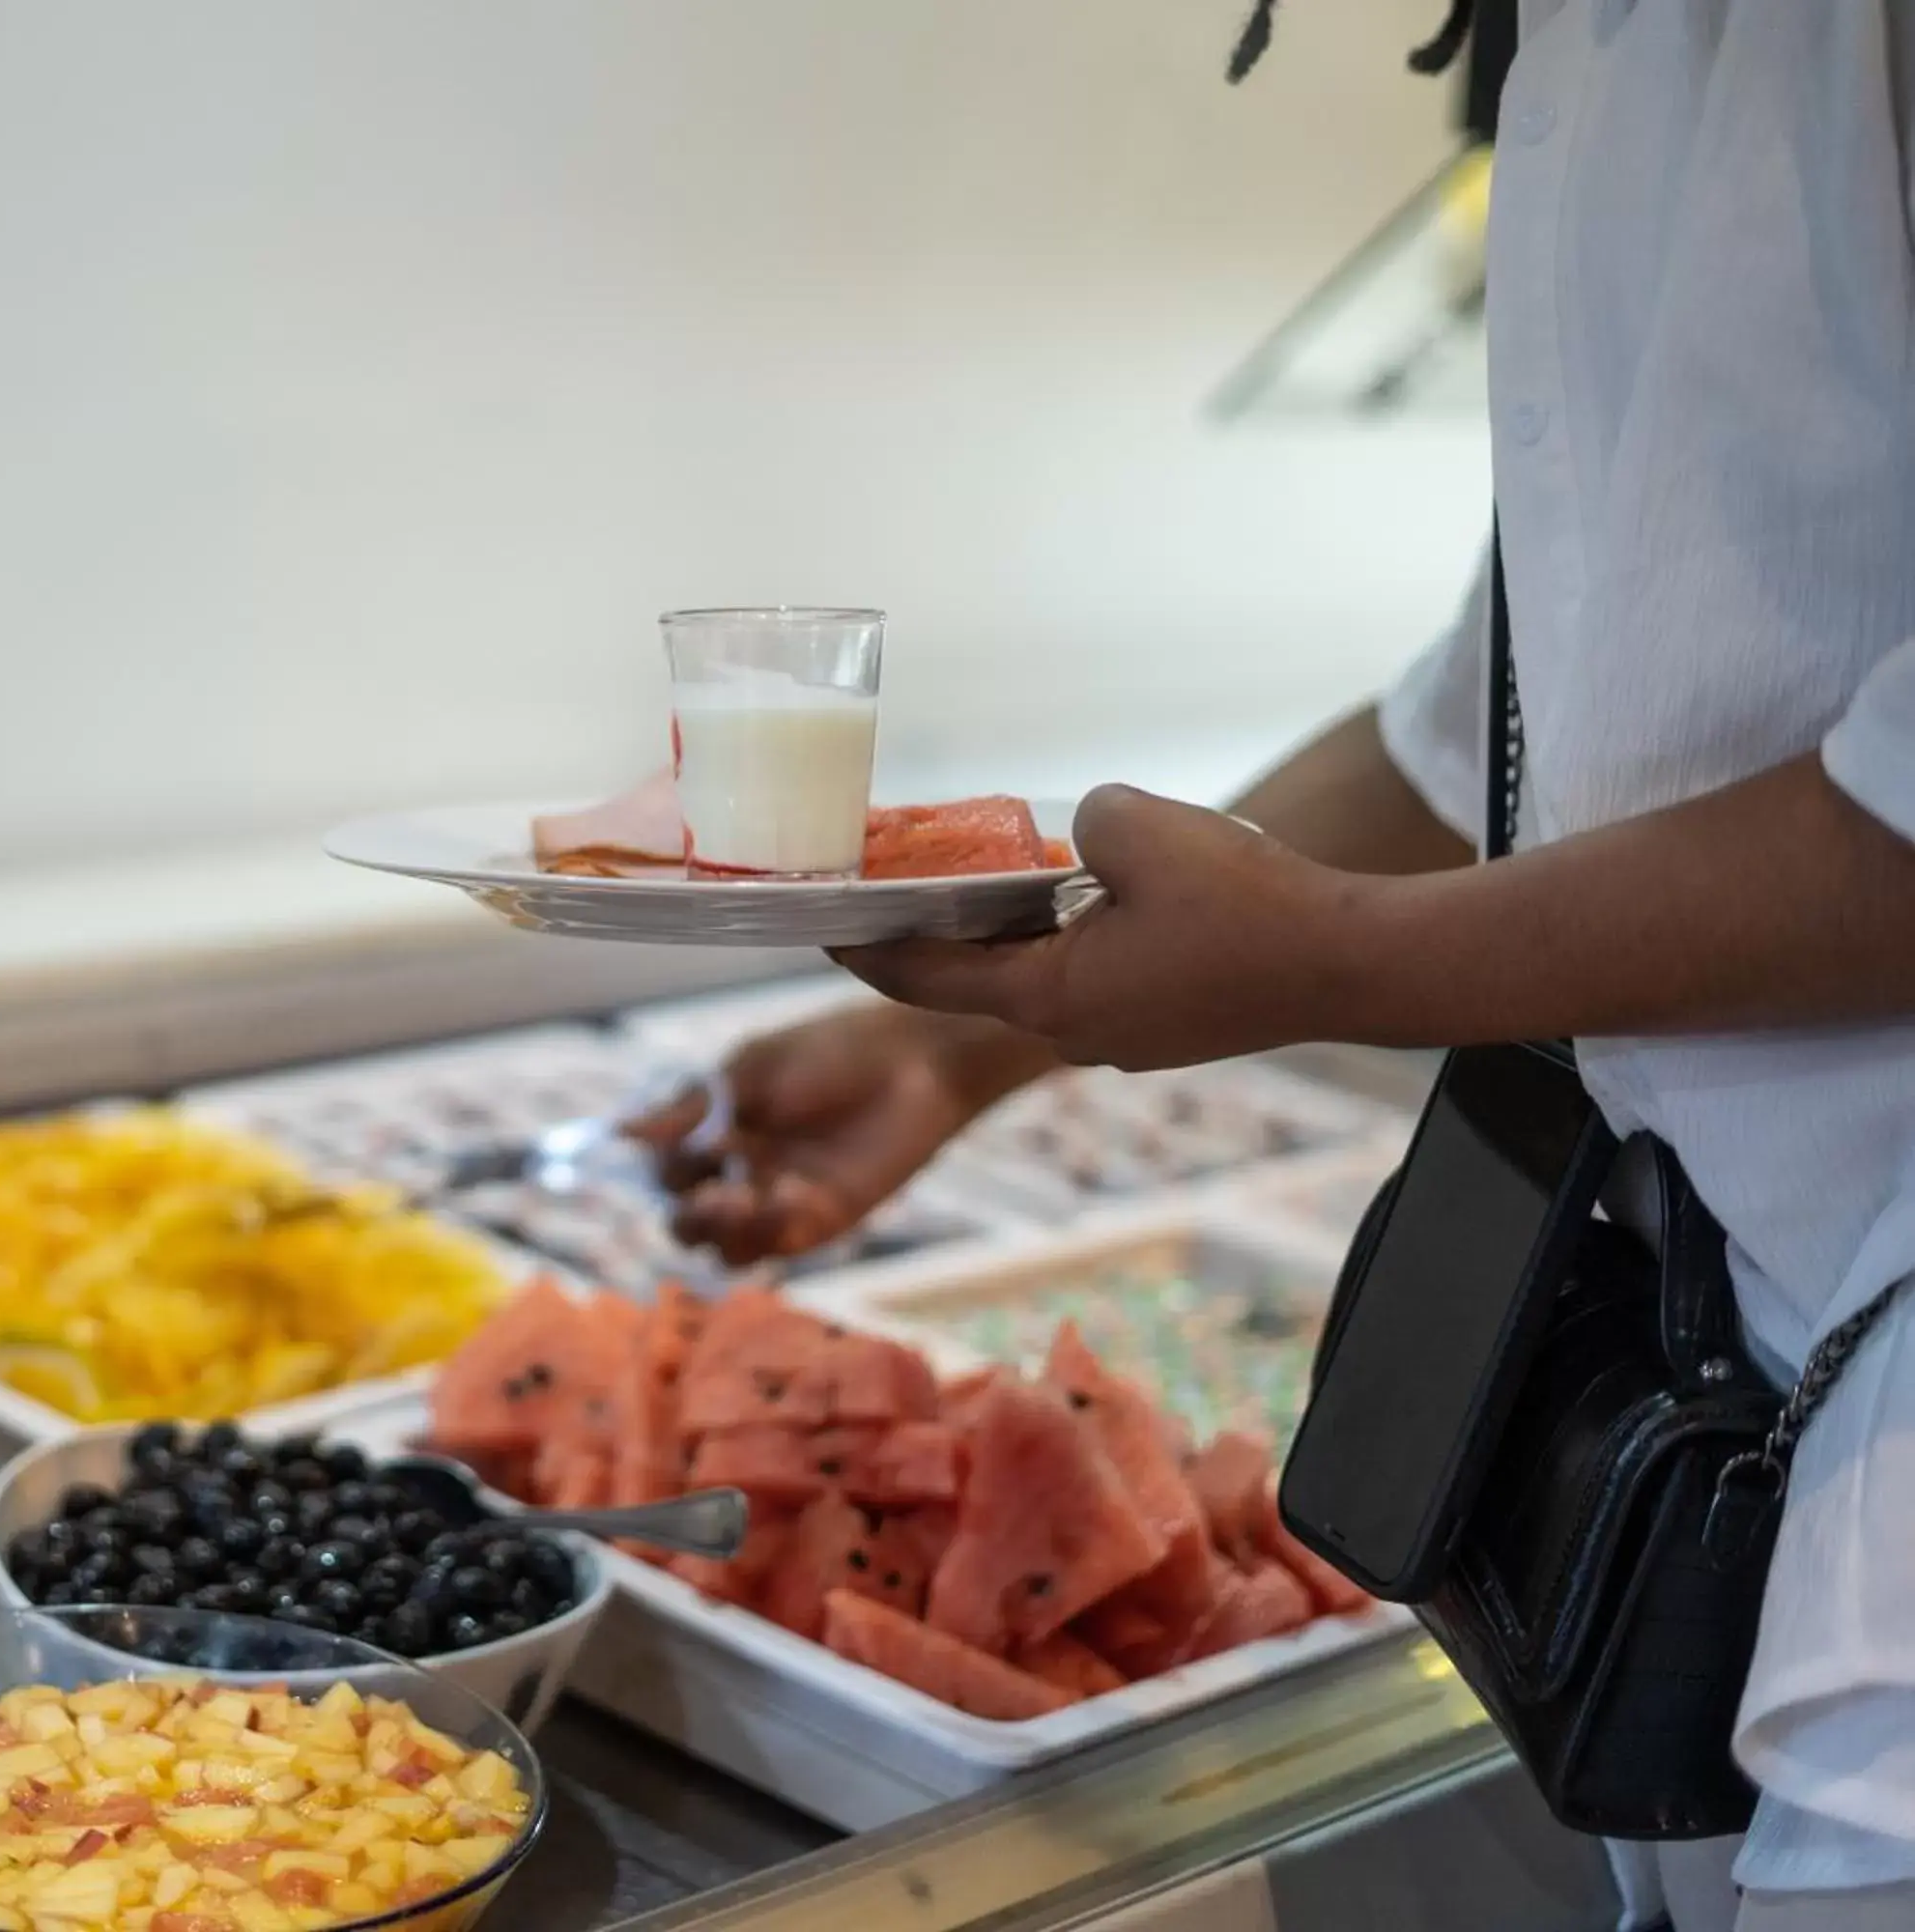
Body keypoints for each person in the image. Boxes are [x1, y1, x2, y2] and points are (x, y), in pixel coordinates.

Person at [647, 5, 1915, 1927]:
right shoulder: (1592, 55)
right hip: (1729, 1427)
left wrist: (1339, 962)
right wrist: (981, 1046)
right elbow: (1499, 705)